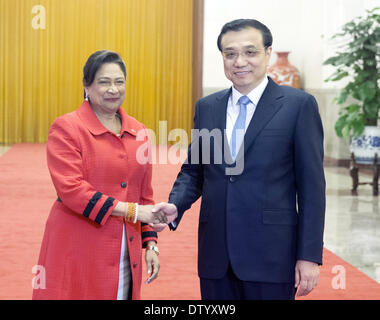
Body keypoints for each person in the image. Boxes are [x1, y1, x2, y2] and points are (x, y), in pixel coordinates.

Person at [152, 19, 326, 300]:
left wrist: (308, 255)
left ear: (268, 53)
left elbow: (312, 190)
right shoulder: (207, 107)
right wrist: (176, 204)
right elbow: (194, 171)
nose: (239, 61)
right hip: (216, 255)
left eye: (250, 52)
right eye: (230, 54)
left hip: (272, 255)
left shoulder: (298, 106)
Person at [32, 50, 168, 300]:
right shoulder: (67, 128)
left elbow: (144, 194)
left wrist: (151, 244)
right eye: (104, 82)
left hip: (127, 249)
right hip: (77, 246)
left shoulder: (138, 131)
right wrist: (134, 212)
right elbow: (72, 190)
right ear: (87, 85)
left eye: (119, 82)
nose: (113, 89)